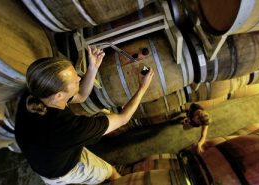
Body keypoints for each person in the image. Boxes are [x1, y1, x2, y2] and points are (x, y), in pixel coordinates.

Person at [14, 46, 154, 185]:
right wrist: (143, 88)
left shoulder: (35, 94)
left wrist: (93, 67)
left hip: (45, 157)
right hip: (60, 171)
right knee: (111, 172)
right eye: (75, 80)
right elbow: (123, 118)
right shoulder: (72, 128)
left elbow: (80, 96)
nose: (80, 78)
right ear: (59, 95)